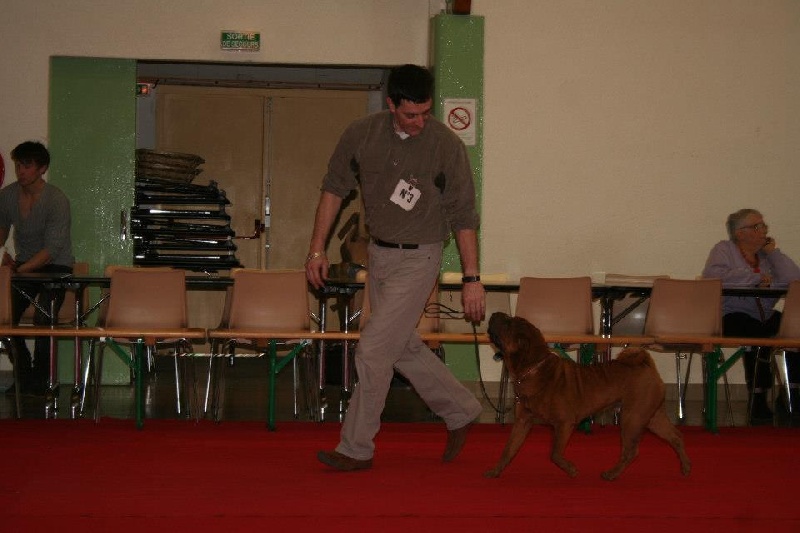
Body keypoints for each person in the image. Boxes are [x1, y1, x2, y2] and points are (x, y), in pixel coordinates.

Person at [305, 64, 485, 471]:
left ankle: (356, 448)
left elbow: (463, 217)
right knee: (401, 346)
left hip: (420, 257)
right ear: (391, 105)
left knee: (371, 350)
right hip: (379, 257)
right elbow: (334, 190)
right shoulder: (361, 134)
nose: (420, 122)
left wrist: (472, 279)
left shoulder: (445, 145)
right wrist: (316, 249)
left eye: (425, 112)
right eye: (410, 114)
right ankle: (461, 409)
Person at [702, 208, 800, 424]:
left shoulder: (767, 257)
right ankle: (757, 399)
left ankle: (791, 396)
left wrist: (773, 253)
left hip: (763, 316)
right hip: (730, 315)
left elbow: (794, 280)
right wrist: (755, 277)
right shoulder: (724, 249)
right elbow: (714, 277)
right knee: (758, 332)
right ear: (739, 232)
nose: (763, 230)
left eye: (763, 225)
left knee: (794, 330)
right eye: (757, 226)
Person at [0, 141, 74, 396]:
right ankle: (23, 375)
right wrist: (5, 256)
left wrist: (20, 271)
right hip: (24, 266)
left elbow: (51, 250)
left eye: (27, 165)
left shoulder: (56, 200)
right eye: (18, 165)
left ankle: (42, 378)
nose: (21, 171)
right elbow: (1, 234)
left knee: (45, 317)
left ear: (42, 169)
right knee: (4, 316)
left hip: (56, 267)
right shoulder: (8, 195)